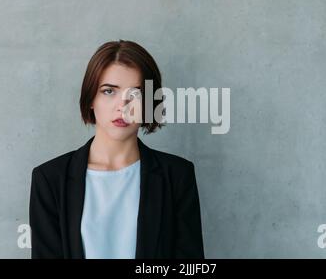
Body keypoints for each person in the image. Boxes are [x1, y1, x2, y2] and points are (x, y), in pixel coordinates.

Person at [29, 40, 205, 259]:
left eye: (136, 94)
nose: (123, 106)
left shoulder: (177, 176)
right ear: (91, 98)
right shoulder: (50, 179)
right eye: (109, 91)